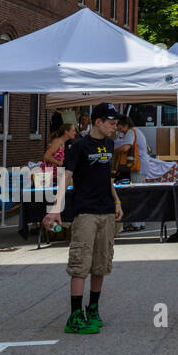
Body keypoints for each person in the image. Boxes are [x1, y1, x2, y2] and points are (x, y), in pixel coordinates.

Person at [46, 104, 124, 334]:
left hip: (107, 211)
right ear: (97, 121)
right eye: (111, 123)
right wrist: (56, 208)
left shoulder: (109, 145)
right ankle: (74, 316)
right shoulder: (78, 146)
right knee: (80, 265)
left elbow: (106, 177)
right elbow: (66, 176)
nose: (115, 127)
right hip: (86, 212)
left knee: (101, 263)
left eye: (116, 123)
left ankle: (93, 309)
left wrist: (117, 201)